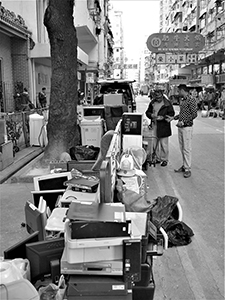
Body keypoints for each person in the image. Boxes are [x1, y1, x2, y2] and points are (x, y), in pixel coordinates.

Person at [145, 84, 175, 167]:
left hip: (164, 126)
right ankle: (157, 158)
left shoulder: (167, 103)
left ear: (162, 93)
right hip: (155, 125)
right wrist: (151, 115)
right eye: (156, 93)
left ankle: (164, 159)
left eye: (158, 93)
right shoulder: (153, 102)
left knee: (164, 144)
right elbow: (147, 112)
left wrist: (163, 117)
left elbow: (171, 114)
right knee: (154, 144)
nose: (157, 96)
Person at [174, 84, 198, 178]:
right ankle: (184, 166)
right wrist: (174, 118)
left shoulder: (191, 99)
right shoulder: (183, 100)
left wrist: (184, 122)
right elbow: (182, 113)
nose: (178, 93)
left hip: (186, 127)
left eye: (179, 91)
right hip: (180, 126)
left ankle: (188, 168)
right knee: (182, 147)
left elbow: (194, 114)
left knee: (186, 148)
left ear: (183, 90)